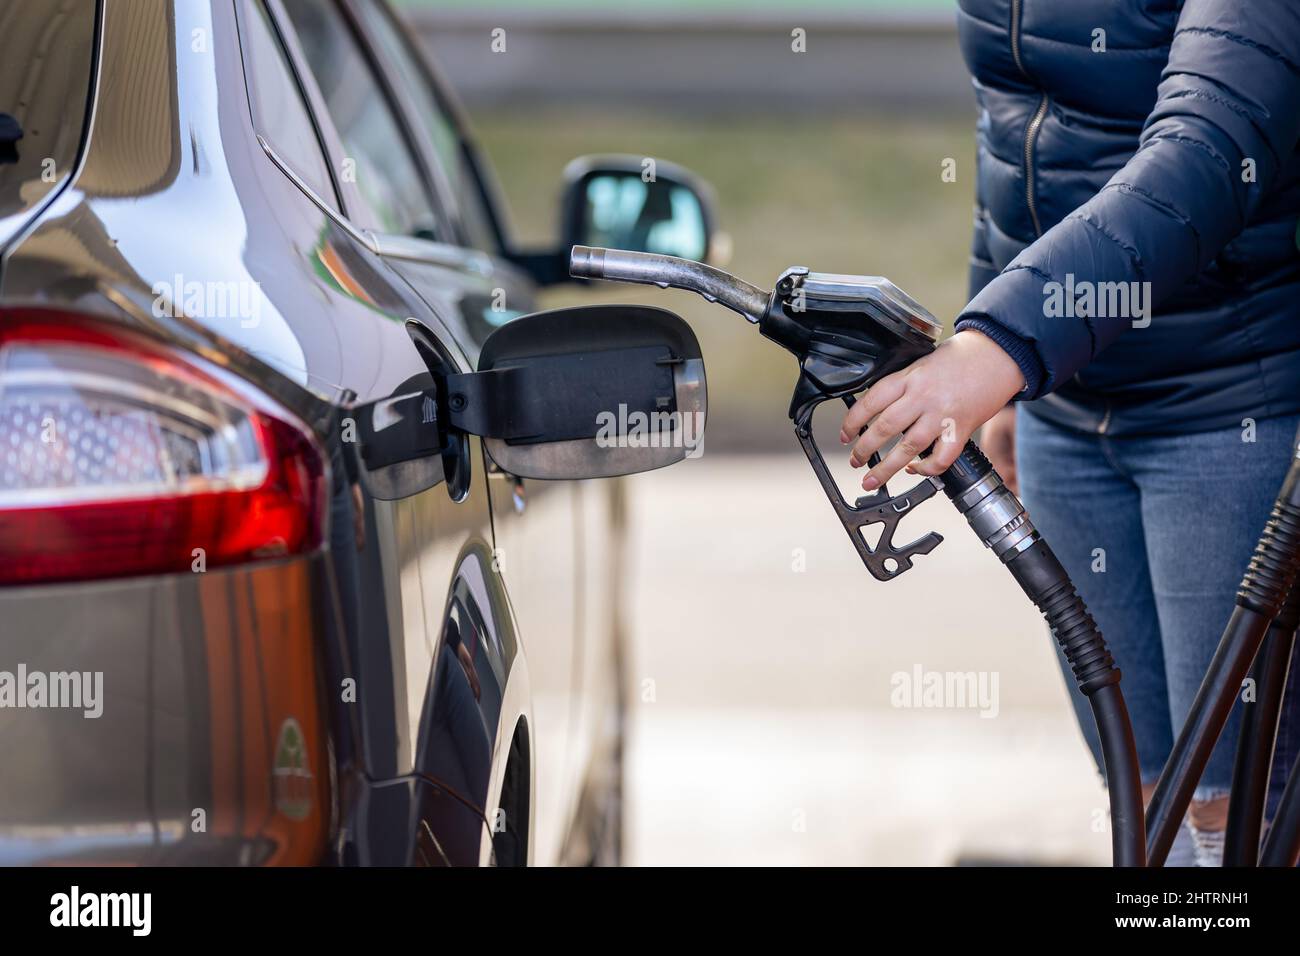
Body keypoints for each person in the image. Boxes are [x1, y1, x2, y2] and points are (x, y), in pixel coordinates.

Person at [840, 0, 1300, 865]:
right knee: (1146, 801)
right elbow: (1014, 131)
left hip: (1228, 403)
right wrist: (1010, 379)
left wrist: (996, 350)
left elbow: (1206, 151)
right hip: (1064, 404)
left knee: (1239, 817)